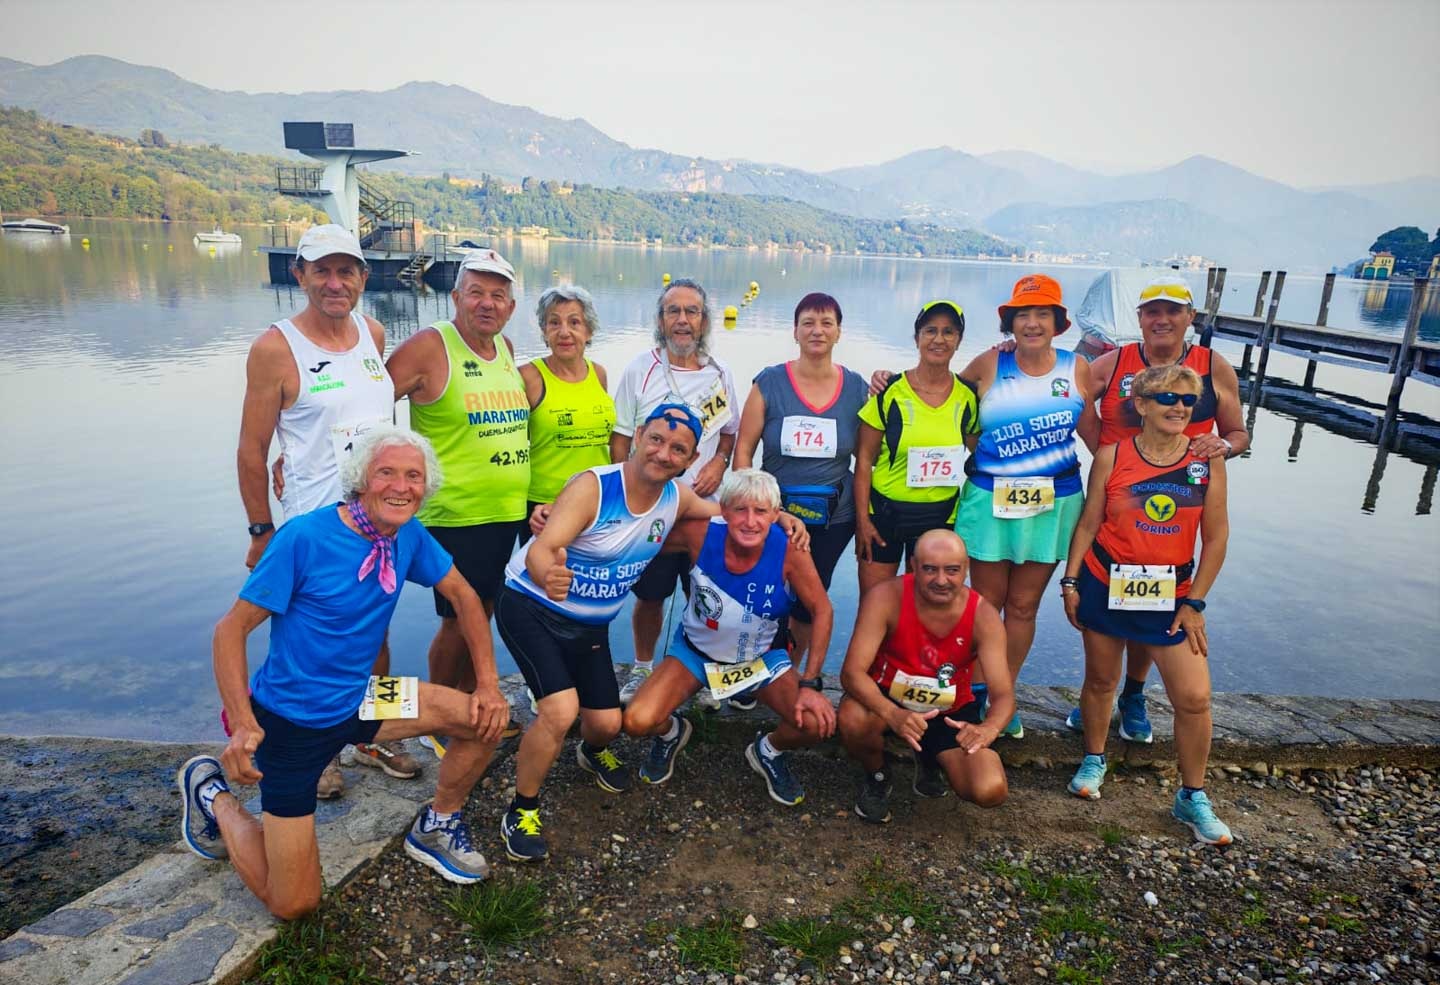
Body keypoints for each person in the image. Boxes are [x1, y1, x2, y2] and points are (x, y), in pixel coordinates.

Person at [176, 427, 512, 920]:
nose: (401, 486)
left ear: (426, 487)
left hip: (363, 698)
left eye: (413, 476)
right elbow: (230, 631)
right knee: (294, 903)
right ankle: (212, 795)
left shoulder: (408, 534)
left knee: (484, 719)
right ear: (360, 480)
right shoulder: (304, 538)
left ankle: (437, 825)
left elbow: (464, 595)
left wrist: (487, 684)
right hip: (292, 723)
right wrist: (243, 722)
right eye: (387, 473)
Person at [235, 223, 415, 794]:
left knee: (376, 631)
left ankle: (370, 737)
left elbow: (370, 419)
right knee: (306, 639)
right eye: (322, 271)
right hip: (313, 523)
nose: (335, 284)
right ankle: (313, 749)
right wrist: (261, 531)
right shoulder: (275, 349)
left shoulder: (373, 334)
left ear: (363, 277)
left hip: (377, 519)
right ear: (300, 275)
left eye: (346, 271)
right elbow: (251, 448)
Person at [1062, 273, 1249, 743]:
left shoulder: (1213, 366)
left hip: (1179, 496)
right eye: (1152, 311)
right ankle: (1099, 694)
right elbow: (1072, 394)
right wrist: (1102, 452)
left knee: (1155, 592)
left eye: (1173, 311)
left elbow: (1238, 433)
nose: (1162, 319)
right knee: (1109, 589)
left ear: (1190, 317)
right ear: (1140, 318)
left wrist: (1222, 449)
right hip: (1118, 492)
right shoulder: (1114, 361)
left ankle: (1133, 693)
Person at [1060, 364, 1233, 845]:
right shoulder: (1112, 456)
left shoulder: (1205, 460)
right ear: (1140, 404)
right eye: (1167, 398)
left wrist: (1195, 602)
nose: (1180, 407)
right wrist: (1070, 582)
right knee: (1100, 680)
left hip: (1172, 595)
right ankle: (1094, 758)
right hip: (1105, 581)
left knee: (1194, 698)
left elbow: (1216, 538)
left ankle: (1192, 795)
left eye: (1188, 400)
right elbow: (1089, 523)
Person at [622, 469, 836, 805]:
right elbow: (637, 530)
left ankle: (768, 750)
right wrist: (565, 524)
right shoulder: (700, 533)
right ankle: (673, 732)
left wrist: (809, 683)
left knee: (814, 723)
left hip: (758, 661)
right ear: (723, 510)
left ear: (775, 514)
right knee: (637, 721)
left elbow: (822, 609)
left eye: (761, 511)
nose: (750, 521)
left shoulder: (790, 549)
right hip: (695, 654)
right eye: (740, 510)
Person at [386, 249, 528, 746]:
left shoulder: (505, 347)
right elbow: (368, 402)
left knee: (479, 614)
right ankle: (439, 718)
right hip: (455, 515)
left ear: (511, 306)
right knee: (455, 621)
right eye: (476, 293)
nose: (487, 303)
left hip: (505, 512)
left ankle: (469, 709)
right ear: (455, 298)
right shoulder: (431, 346)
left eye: (498, 295)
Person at [952, 274, 1099, 739]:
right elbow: (942, 402)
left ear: (1058, 323)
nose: (1032, 323)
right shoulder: (988, 364)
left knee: (1023, 606)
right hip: (990, 501)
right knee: (985, 604)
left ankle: (1003, 695)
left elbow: (1096, 439)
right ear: (1010, 322)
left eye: (1042, 314)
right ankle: (976, 690)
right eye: (1023, 315)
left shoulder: (1078, 369)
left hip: (1052, 503)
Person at [610, 280, 741, 704]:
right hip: (651, 511)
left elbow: (730, 432)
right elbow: (620, 439)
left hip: (703, 510)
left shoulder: (720, 373)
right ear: (660, 320)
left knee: (705, 595)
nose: (682, 320)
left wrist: (720, 462)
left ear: (704, 321)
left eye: (692, 312)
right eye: (673, 311)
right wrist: (626, 500)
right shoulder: (640, 369)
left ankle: (706, 671)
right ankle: (642, 667)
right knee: (650, 596)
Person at [733, 293, 868, 695]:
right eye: (808, 322)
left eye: (827, 323)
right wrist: (758, 507)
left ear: (839, 332)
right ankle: (753, 669)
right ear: (795, 331)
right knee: (767, 595)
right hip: (773, 516)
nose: (817, 331)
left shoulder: (857, 388)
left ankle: (786, 674)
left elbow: (868, 458)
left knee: (811, 598)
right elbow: (743, 452)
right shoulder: (769, 383)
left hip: (833, 517)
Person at [837, 530, 1011, 823]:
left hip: (950, 714)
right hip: (887, 699)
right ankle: (877, 774)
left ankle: (930, 758)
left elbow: (1003, 694)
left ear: (966, 569)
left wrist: (989, 728)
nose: (941, 580)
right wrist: (892, 713)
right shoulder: (885, 597)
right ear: (913, 566)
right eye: (930, 569)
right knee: (853, 719)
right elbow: (852, 673)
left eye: (952, 570)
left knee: (989, 789)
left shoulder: (984, 616)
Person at [853, 301, 980, 597]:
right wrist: (862, 521)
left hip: (940, 517)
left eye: (948, 332)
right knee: (874, 604)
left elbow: (980, 457)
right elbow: (864, 459)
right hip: (885, 514)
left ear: (959, 340)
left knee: (926, 605)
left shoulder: (967, 397)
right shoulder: (889, 391)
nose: (939, 339)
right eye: (930, 331)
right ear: (917, 338)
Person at [520, 285, 616, 530]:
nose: (564, 332)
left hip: (597, 501)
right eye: (554, 323)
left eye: (574, 322)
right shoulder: (528, 377)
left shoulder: (599, 374)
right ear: (544, 331)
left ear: (589, 330)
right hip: (543, 506)